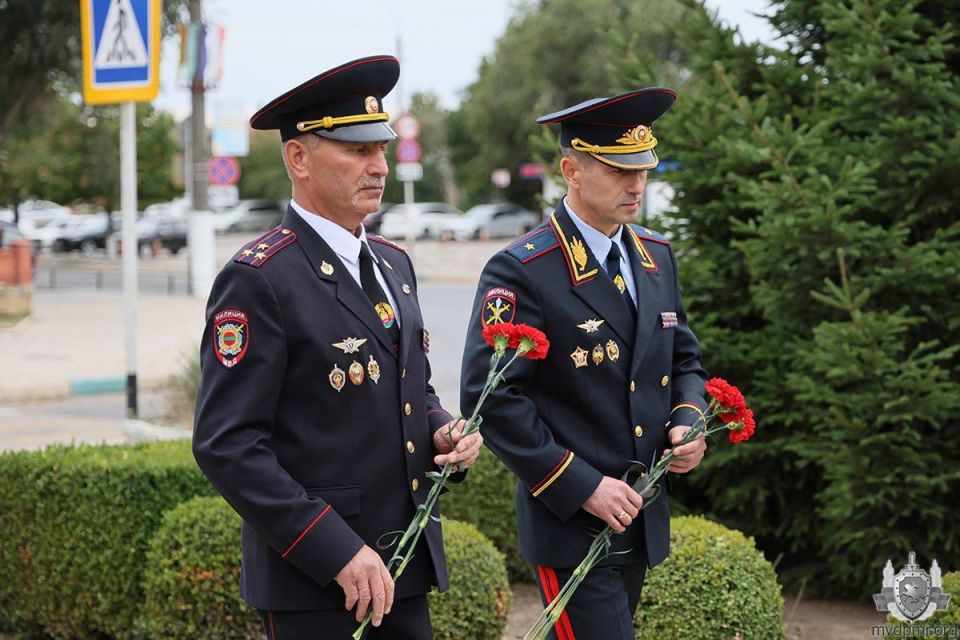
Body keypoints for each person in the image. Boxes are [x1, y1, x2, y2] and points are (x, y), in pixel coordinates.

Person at [193, 55, 482, 640]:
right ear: (297, 157)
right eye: (356, 150)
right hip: (317, 581)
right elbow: (227, 444)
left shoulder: (394, 265)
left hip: (402, 563)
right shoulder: (261, 278)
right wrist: (333, 551)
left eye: (380, 148)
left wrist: (442, 430)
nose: (377, 165)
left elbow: (409, 390)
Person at [460, 88, 708, 639]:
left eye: (642, 169)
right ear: (571, 169)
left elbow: (684, 357)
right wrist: (584, 486)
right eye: (619, 169)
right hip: (572, 522)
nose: (637, 184)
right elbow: (489, 397)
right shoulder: (523, 270)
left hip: (639, 514)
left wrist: (689, 420)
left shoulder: (655, 256)